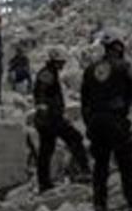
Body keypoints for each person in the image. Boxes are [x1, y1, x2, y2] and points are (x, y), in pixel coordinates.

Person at [81, 32, 132, 211]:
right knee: (126, 165)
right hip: (116, 122)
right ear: (119, 48)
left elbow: (84, 101)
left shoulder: (90, 69)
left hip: (95, 122)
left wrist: (88, 125)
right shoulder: (125, 67)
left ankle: (99, 206)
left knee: (100, 166)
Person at [34, 46, 91, 191]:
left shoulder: (50, 72)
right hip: (50, 120)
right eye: (61, 62)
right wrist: (46, 112)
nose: (63, 65)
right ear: (54, 61)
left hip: (49, 119)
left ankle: (44, 183)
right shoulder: (47, 74)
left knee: (46, 151)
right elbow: (40, 93)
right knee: (75, 138)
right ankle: (84, 172)